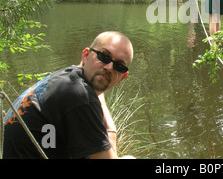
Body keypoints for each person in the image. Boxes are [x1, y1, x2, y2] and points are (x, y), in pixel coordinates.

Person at [3, 31, 134, 159]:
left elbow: (98, 95)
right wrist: (112, 137)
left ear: (122, 78)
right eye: (104, 56)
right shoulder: (79, 95)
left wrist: (111, 129)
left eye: (119, 66)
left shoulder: (68, 77)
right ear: (85, 56)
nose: (109, 68)